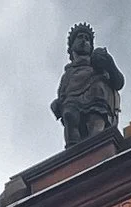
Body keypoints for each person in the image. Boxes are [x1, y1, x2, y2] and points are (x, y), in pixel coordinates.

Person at [52, 22, 125, 151]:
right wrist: (58, 102)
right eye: (80, 37)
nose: (84, 41)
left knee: (95, 126)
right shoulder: (68, 73)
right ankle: (72, 155)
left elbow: (118, 82)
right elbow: (62, 91)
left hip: (97, 99)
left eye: (87, 39)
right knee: (69, 115)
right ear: (71, 47)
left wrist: (110, 64)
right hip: (73, 100)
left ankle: (96, 154)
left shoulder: (98, 63)